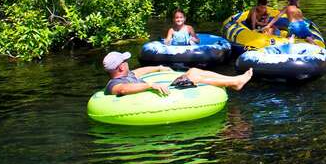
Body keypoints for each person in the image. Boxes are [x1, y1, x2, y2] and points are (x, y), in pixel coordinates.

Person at [102, 51, 251, 97]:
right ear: (121, 67)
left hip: (167, 87)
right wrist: (149, 85)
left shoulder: (126, 75)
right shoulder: (114, 85)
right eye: (125, 61)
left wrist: (158, 67)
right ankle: (235, 82)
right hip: (167, 93)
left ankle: (234, 80)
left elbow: (138, 71)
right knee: (193, 77)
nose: (128, 62)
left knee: (193, 70)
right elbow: (123, 89)